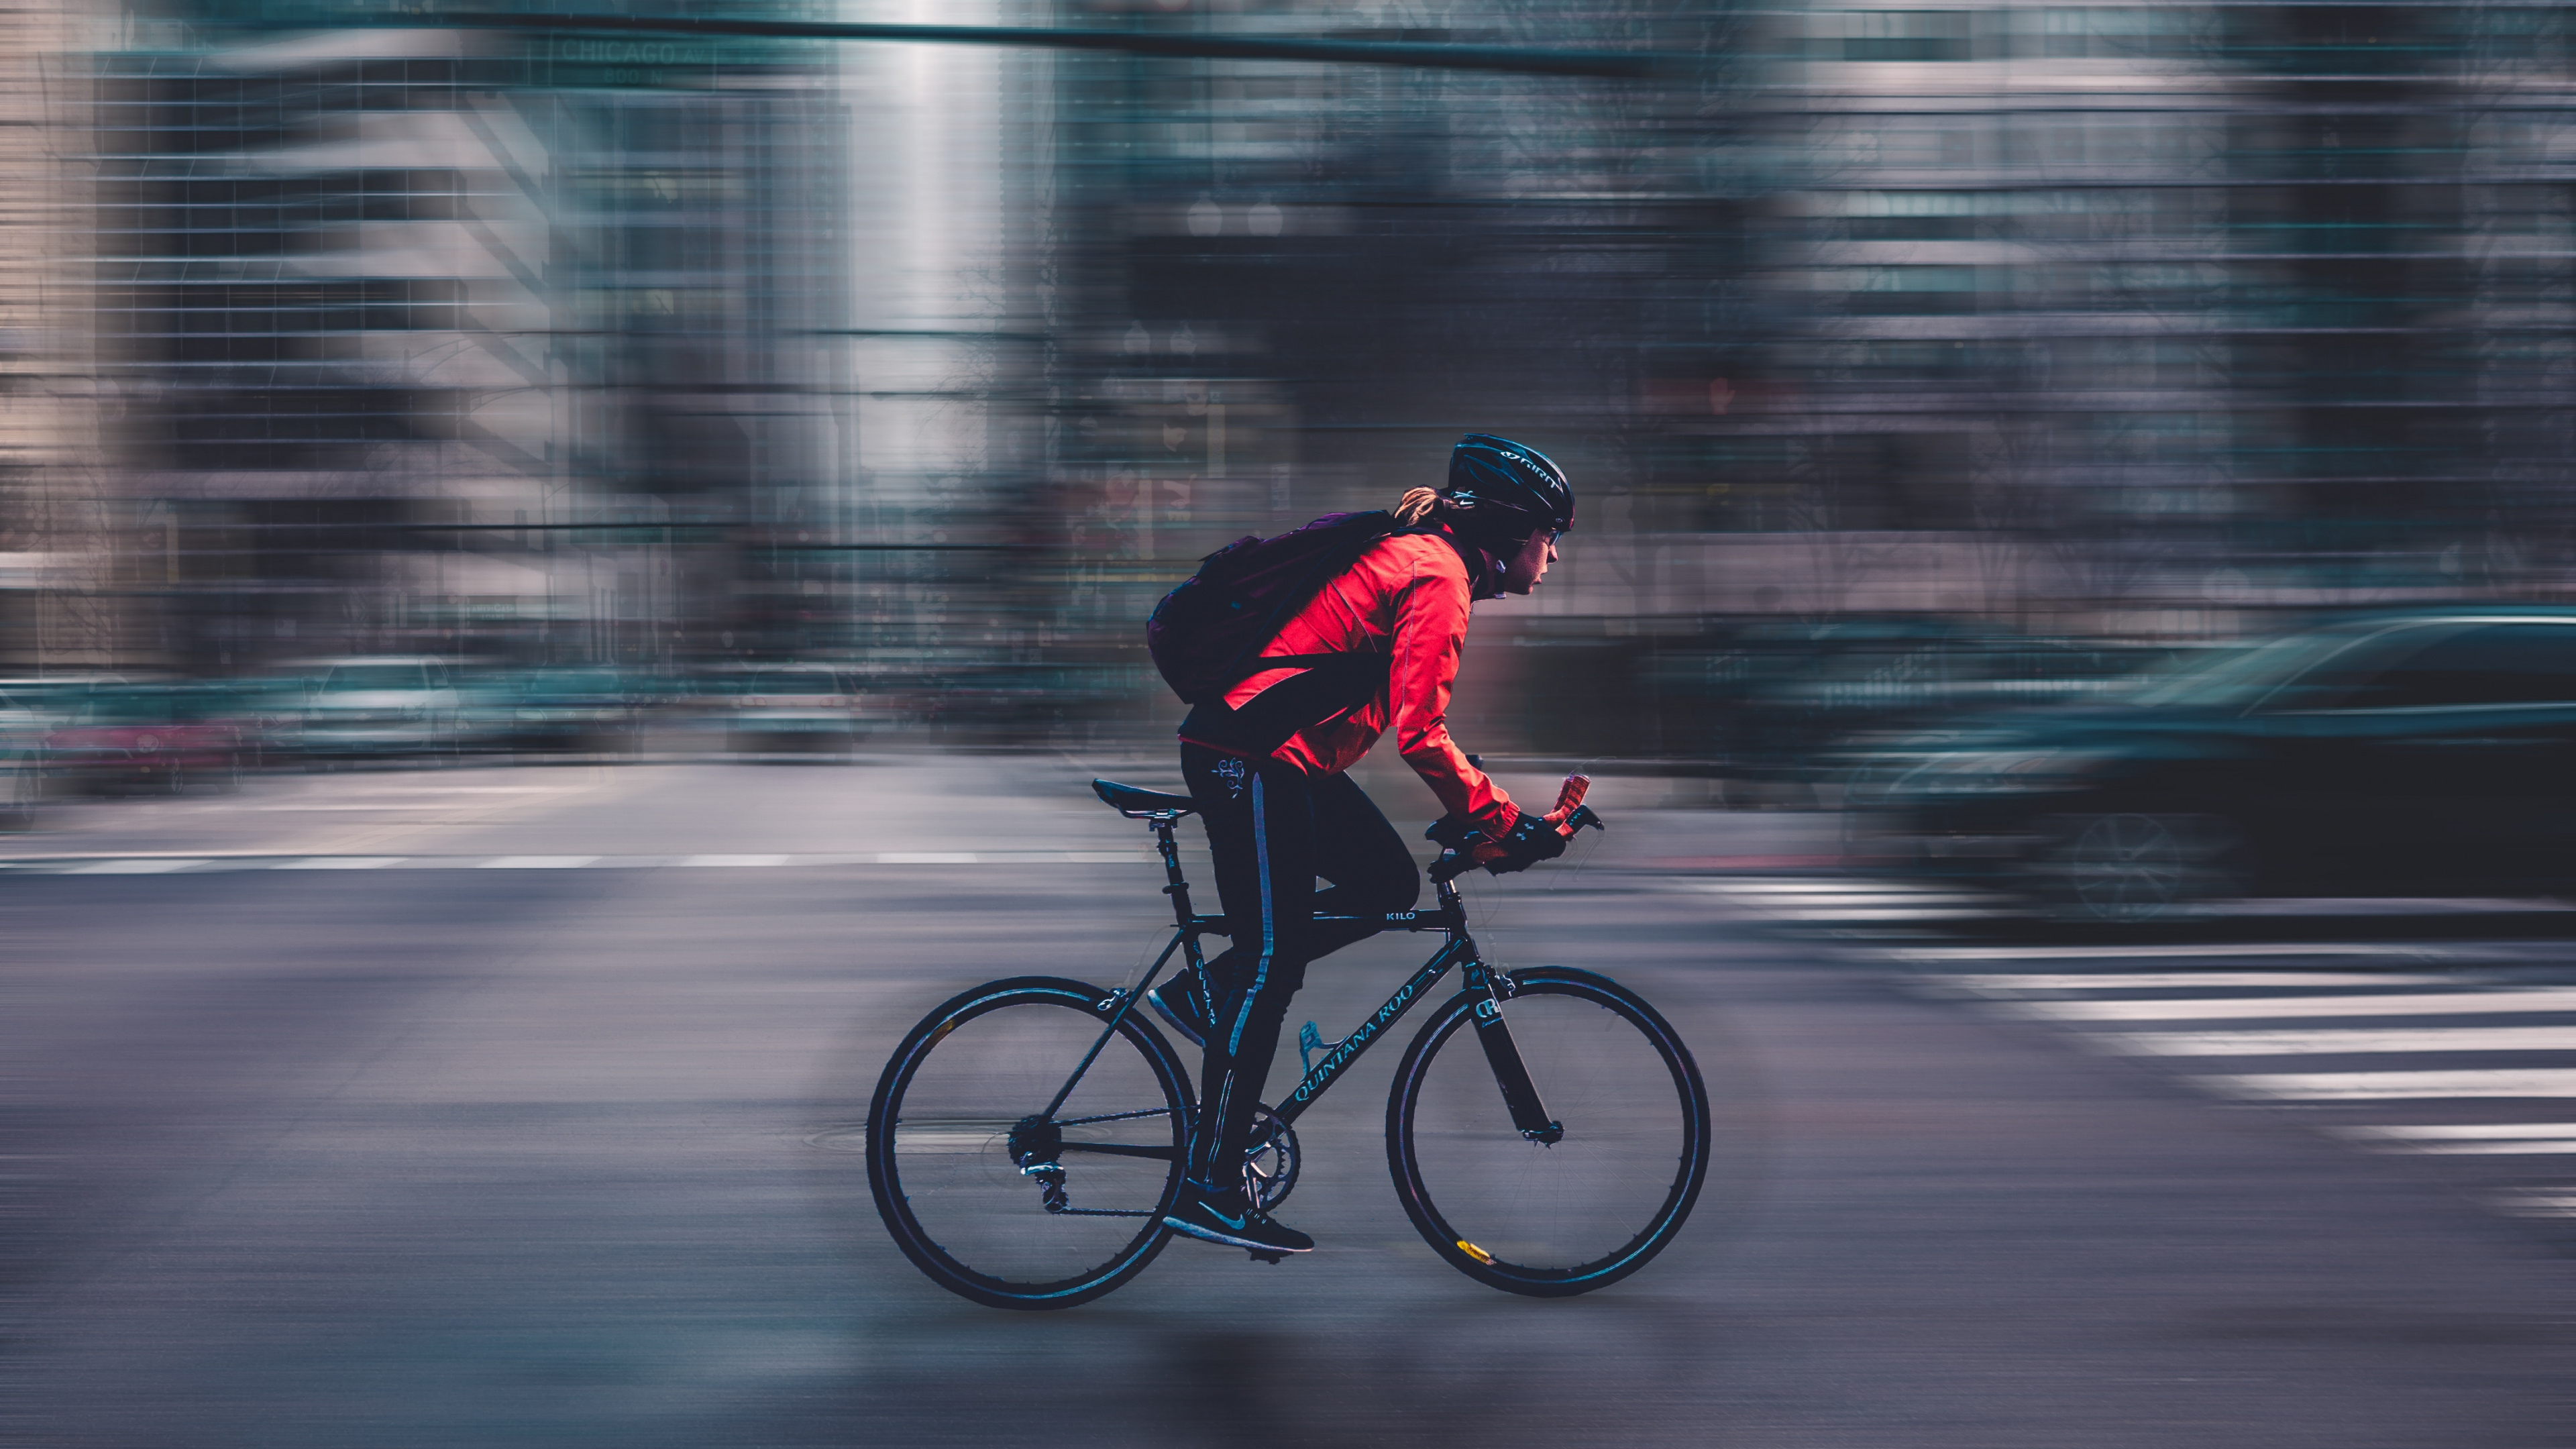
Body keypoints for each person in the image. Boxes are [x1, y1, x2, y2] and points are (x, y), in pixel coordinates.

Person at [1151, 433, 1578, 1256]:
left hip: (1281, 756)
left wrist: (1481, 807)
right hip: (1249, 754)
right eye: (1552, 534)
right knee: (1273, 966)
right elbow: (1421, 733)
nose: (1554, 554)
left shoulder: (1431, 563)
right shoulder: (1439, 575)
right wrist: (1500, 819)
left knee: (1387, 884)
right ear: (1516, 529)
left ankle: (1207, 995)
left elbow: (1402, 718)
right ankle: (1208, 1184)